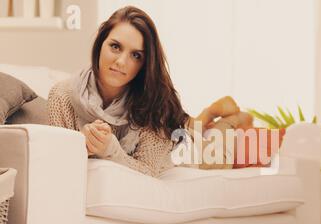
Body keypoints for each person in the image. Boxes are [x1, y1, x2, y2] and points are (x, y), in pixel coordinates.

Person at [48, 6, 260, 177]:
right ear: (100, 44)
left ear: (145, 64)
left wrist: (110, 150)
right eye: (115, 46)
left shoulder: (155, 103)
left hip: (183, 152)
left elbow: (149, 170)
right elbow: (57, 162)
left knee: (222, 156)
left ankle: (230, 120)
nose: (121, 61)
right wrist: (78, 144)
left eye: (136, 55)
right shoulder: (62, 95)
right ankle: (204, 118)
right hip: (179, 130)